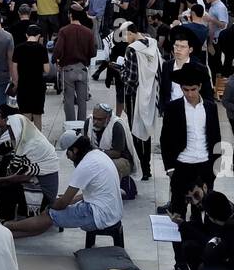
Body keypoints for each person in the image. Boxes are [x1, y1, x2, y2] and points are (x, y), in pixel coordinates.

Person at [4, 133, 122, 238]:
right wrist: (65, 201)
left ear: (75, 150)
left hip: (98, 216)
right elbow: (85, 195)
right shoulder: (98, 155)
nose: (67, 156)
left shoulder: (85, 165)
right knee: (48, 217)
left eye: (68, 152)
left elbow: (62, 204)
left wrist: (50, 205)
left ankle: (6, 225)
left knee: (49, 215)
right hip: (113, 212)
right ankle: (10, 234)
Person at [159, 64, 222, 217]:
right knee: (177, 210)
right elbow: (165, 139)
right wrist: (170, 169)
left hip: (204, 165)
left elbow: (216, 138)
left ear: (199, 87)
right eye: (185, 90)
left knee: (202, 212)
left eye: (193, 89)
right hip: (181, 165)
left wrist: (215, 166)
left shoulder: (210, 107)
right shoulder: (173, 108)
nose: (190, 94)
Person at [0, 109, 61, 218]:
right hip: (34, 181)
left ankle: (4, 220)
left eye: (11, 130)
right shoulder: (24, 140)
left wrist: (0, 180)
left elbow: (24, 176)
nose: (10, 133)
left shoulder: (34, 145)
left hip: (44, 193)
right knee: (3, 180)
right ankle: (5, 216)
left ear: (18, 128)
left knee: (6, 189)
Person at [123, 21, 161, 179]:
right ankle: (148, 167)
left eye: (125, 35)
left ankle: (144, 168)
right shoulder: (153, 43)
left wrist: (120, 71)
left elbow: (130, 78)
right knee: (146, 128)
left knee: (136, 129)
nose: (125, 39)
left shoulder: (132, 49)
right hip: (151, 92)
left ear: (131, 33)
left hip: (135, 95)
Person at [54, 7, 98, 121]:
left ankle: (71, 126)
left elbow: (58, 50)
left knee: (68, 99)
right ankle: (82, 126)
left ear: (70, 15)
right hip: (82, 69)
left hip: (68, 69)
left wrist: (57, 60)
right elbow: (93, 52)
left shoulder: (64, 31)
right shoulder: (88, 32)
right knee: (82, 100)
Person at [84, 102, 140, 185]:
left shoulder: (117, 126)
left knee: (106, 167)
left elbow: (116, 153)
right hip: (98, 157)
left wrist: (97, 152)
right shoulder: (89, 122)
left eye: (99, 119)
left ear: (108, 118)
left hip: (121, 160)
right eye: (94, 118)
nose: (95, 122)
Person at [10, 24, 51, 128]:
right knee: (37, 115)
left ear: (26, 35)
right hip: (38, 85)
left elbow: (14, 67)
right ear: (38, 36)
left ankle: (26, 139)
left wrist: (15, 82)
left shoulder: (18, 48)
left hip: (23, 84)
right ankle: (38, 139)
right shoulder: (42, 49)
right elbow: (47, 70)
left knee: (25, 114)